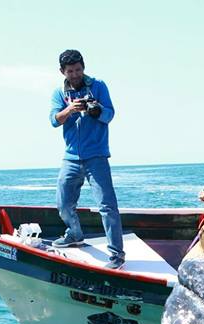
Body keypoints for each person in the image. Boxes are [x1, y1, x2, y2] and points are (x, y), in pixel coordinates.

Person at [49, 49, 125, 269]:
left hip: (97, 157)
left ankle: (117, 255)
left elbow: (109, 114)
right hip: (70, 158)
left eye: (79, 69)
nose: (75, 74)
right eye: (70, 71)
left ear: (84, 67)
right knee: (63, 203)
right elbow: (54, 120)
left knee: (107, 207)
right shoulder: (58, 93)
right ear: (62, 71)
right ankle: (74, 234)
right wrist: (71, 109)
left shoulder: (98, 85)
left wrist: (96, 110)